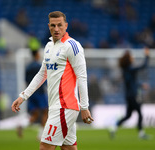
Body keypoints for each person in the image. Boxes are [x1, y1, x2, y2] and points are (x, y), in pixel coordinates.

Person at [11, 11, 93, 150]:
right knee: (68, 148)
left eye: (60, 25)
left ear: (66, 26)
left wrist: (84, 107)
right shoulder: (49, 47)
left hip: (65, 107)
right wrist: (23, 96)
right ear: (49, 26)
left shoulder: (72, 46)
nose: (56, 29)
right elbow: (42, 74)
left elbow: (82, 76)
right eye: (53, 25)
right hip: (56, 106)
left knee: (45, 147)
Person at [110, 48, 150, 139]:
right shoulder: (131, 69)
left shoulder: (125, 70)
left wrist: (140, 85)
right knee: (140, 113)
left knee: (128, 115)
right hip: (134, 95)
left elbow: (131, 82)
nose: (133, 57)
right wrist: (147, 55)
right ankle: (141, 133)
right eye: (132, 56)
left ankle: (114, 127)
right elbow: (144, 66)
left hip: (128, 95)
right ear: (129, 59)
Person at [17, 49, 48, 139]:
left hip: (31, 93)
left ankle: (22, 125)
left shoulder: (28, 67)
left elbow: (26, 80)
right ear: (37, 55)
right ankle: (41, 134)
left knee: (35, 114)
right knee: (45, 112)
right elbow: (42, 78)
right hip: (40, 92)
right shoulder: (39, 66)